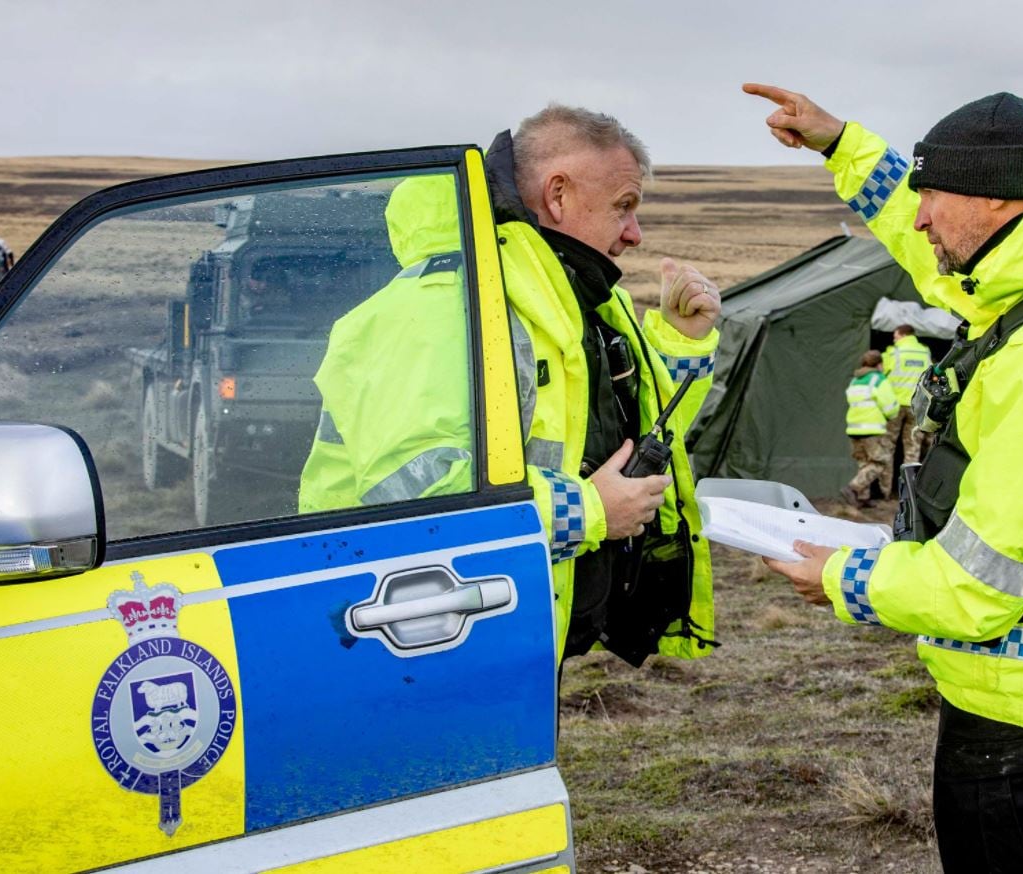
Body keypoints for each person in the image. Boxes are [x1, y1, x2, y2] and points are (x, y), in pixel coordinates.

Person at [745, 83, 1023, 872]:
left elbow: (979, 586)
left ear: (997, 204)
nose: (917, 218)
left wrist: (843, 579)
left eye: (932, 195)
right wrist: (842, 145)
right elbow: (931, 254)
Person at [299, 105, 722, 667]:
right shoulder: (438, 310)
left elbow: (633, 433)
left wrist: (679, 341)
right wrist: (589, 511)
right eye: (624, 206)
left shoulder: (575, 300)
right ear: (559, 195)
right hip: (393, 639)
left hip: (487, 625)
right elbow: (422, 500)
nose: (635, 234)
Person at [881, 323, 933, 496]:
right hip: (916, 406)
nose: (894, 339)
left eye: (895, 336)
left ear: (902, 335)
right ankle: (908, 492)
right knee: (913, 448)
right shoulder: (924, 352)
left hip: (894, 406)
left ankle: (885, 492)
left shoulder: (893, 352)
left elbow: (881, 375)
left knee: (887, 447)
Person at [842, 349, 898, 508]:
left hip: (854, 429)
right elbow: (890, 407)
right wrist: (891, 415)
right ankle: (853, 488)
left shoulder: (855, 380)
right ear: (879, 364)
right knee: (880, 462)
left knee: (864, 462)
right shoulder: (879, 380)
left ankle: (862, 499)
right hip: (872, 429)